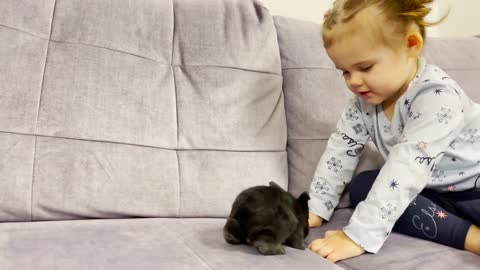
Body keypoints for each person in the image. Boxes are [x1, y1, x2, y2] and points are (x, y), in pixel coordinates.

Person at [307, 0, 480, 263]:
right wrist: (316, 207)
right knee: (363, 186)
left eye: (365, 68)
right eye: (344, 71)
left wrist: (357, 236)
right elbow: (340, 149)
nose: (353, 81)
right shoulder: (362, 104)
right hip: (437, 192)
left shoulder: (437, 96)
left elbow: (407, 166)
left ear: (411, 45)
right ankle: (470, 235)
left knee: (396, 182)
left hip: (475, 187)